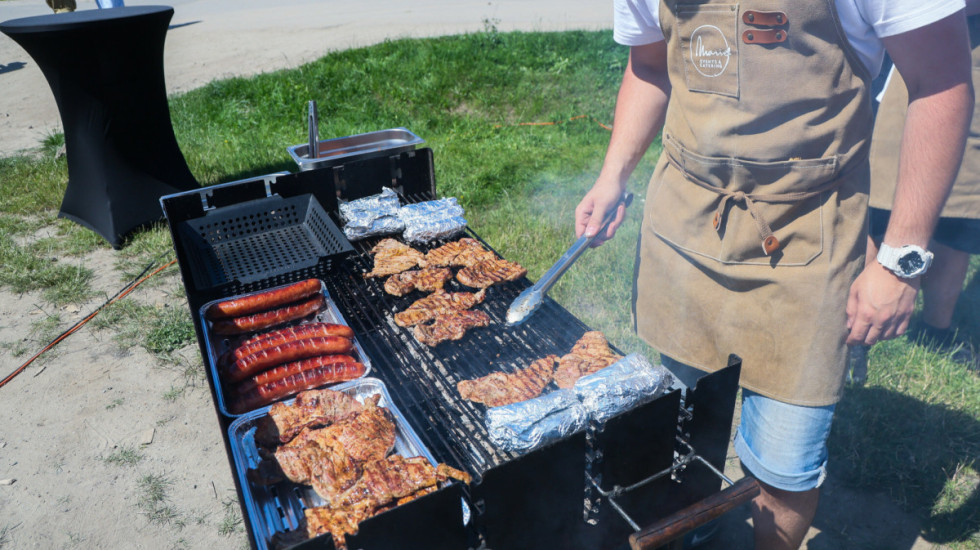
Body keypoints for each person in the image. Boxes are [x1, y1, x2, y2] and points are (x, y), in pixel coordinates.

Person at [575, 2, 973, 549]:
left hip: (809, 231)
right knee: (688, 422)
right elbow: (649, 64)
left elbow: (942, 81)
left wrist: (901, 257)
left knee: (785, 465)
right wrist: (612, 174)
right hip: (687, 221)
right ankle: (699, 532)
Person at [863, 3, 980, 369]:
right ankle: (853, 327)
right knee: (880, 210)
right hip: (928, 57)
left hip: (953, 65)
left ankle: (934, 330)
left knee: (959, 222)